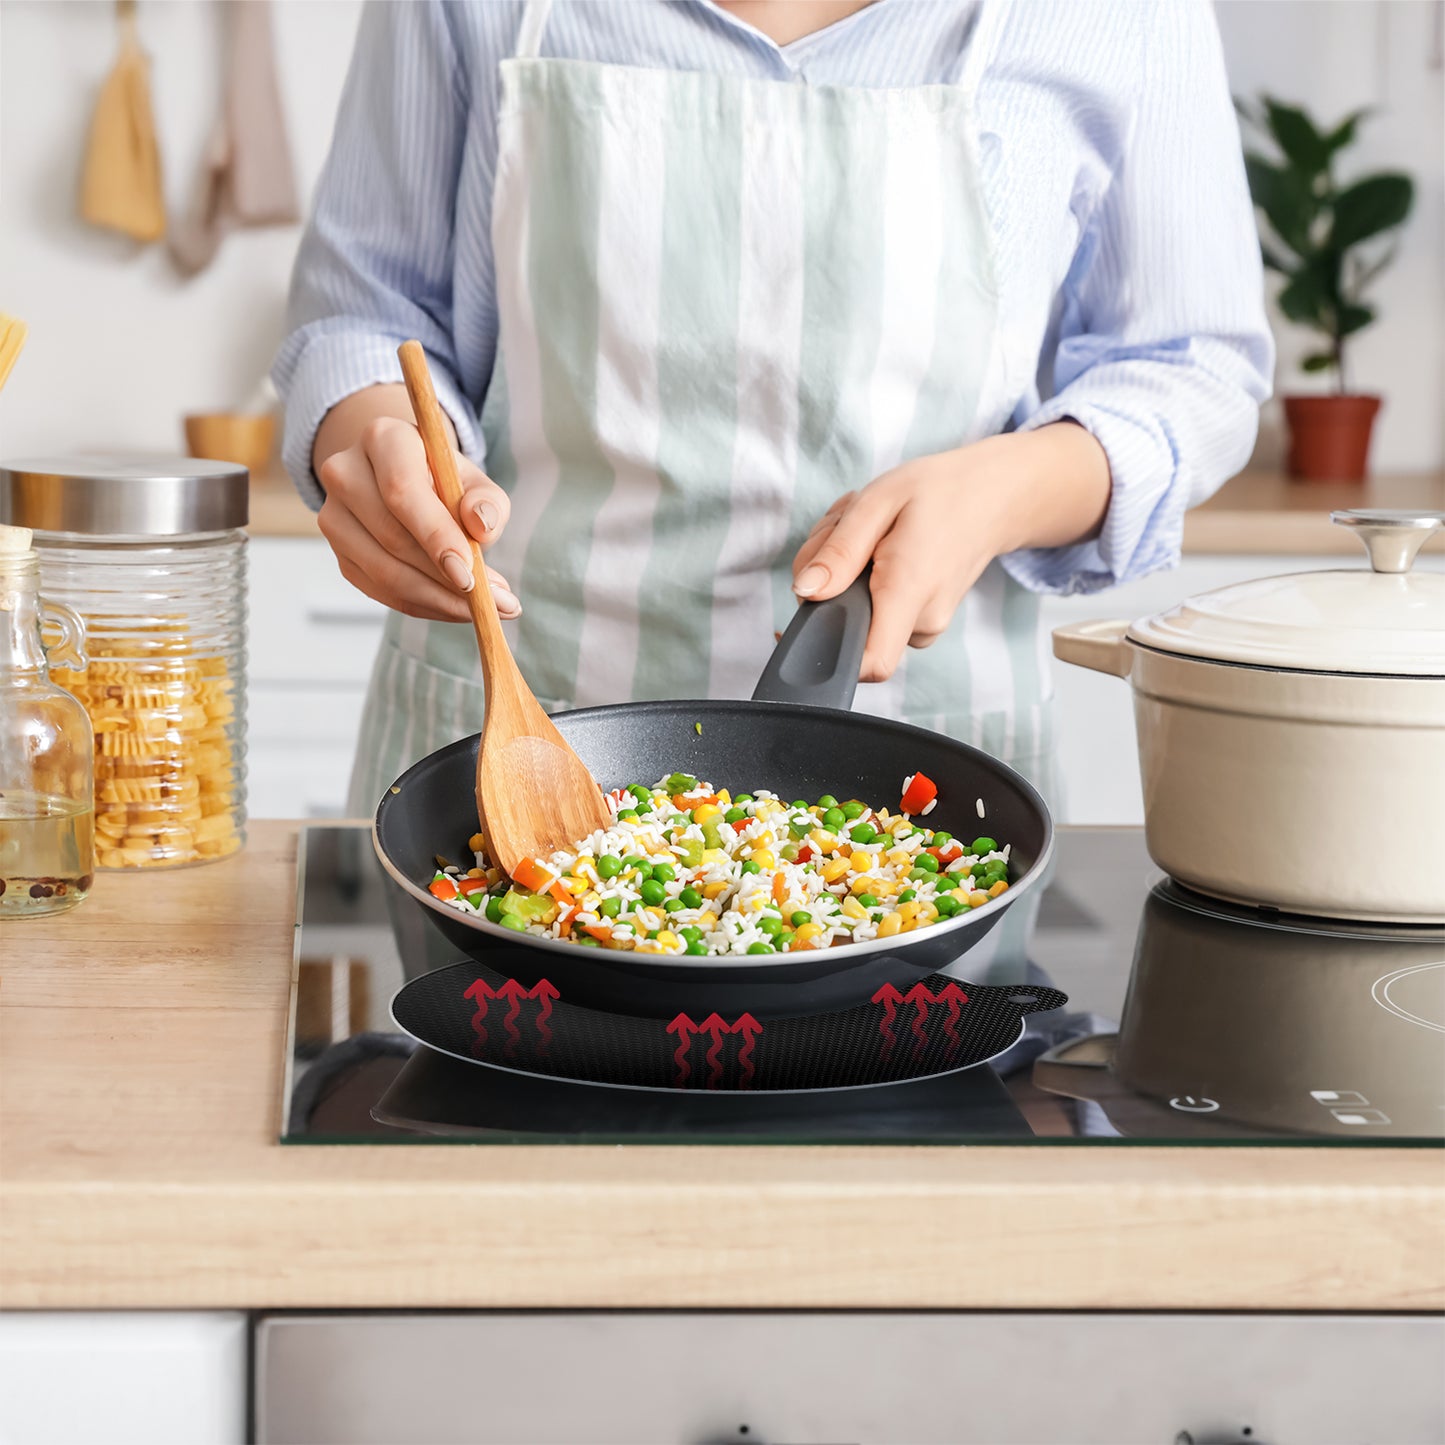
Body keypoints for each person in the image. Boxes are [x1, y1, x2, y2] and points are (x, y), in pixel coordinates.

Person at [275, 0, 1271, 838]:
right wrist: (372, 439)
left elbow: (1192, 362)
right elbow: (365, 309)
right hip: (518, 749)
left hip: (917, 780)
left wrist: (1007, 489)